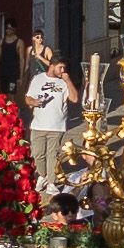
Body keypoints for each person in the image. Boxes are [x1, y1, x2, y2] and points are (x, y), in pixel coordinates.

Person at [23, 42, 78, 185]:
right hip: (38, 125)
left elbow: (74, 98)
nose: (62, 70)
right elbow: (27, 98)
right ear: (52, 65)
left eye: (64, 68)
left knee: (52, 155)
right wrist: (33, 102)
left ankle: (52, 183)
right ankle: (43, 175)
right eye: (60, 67)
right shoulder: (38, 79)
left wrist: (67, 80)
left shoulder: (63, 82)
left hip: (57, 126)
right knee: (38, 154)